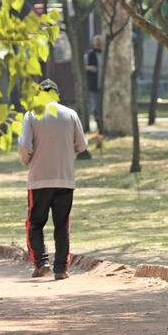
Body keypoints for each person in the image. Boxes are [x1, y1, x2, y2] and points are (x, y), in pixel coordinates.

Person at [19, 79, 89, 280]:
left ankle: (41, 263)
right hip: (65, 179)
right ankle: (61, 269)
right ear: (57, 94)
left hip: (39, 179)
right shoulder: (70, 114)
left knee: (35, 223)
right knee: (62, 224)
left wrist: (27, 161)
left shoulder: (31, 115)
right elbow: (82, 145)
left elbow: (25, 146)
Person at [85, 35, 103, 133]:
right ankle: (98, 125)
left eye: (100, 43)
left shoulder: (105, 53)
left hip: (104, 85)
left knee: (102, 106)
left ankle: (102, 125)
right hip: (93, 84)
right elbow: (84, 66)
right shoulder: (89, 54)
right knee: (95, 106)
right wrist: (90, 68)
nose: (98, 45)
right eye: (97, 43)